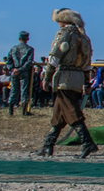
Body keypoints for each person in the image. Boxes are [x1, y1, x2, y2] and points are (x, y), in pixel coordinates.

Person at [37, 9, 96, 158]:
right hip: (77, 79)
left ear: (63, 21)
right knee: (59, 115)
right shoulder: (84, 37)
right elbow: (87, 64)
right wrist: (86, 83)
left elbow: (54, 57)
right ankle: (48, 145)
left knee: (71, 112)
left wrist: (47, 78)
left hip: (64, 78)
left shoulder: (64, 34)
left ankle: (87, 142)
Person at [6, 31, 34, 116]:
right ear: (28, 39)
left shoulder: (13, 48)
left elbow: (8, 61)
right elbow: (29, 62)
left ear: (19, 38)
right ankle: (24, 111)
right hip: (24, 72)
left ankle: (11, 110)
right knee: (24, 91)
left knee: (13, 90)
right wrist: (21, 69)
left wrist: (13, 69)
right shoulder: (30, 49)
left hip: (14, 72)